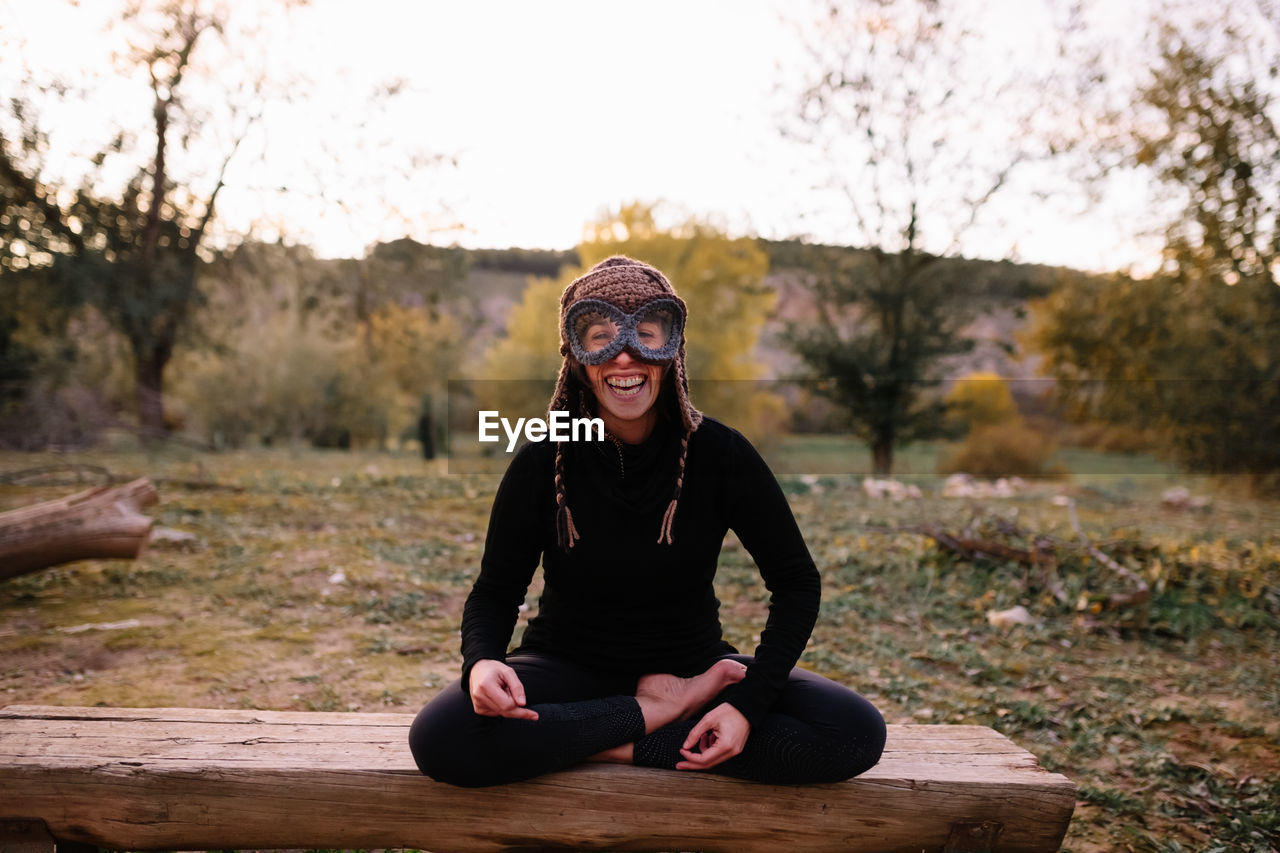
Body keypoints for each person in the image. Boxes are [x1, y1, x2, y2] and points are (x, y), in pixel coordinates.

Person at [409, 256, 885, 787]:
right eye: (601, 336)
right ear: (576, 356)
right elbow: (496, 591)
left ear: (672, 348)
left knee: (852, 730)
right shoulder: (545, 458)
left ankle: (590, 738)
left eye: (647, 333)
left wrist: (745, 708)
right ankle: (649, 724)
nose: (625, 355)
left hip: (694, 669)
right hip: (567, 666)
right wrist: (482, 663)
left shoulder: (719, 454)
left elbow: (796, 582)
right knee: (441, 735)